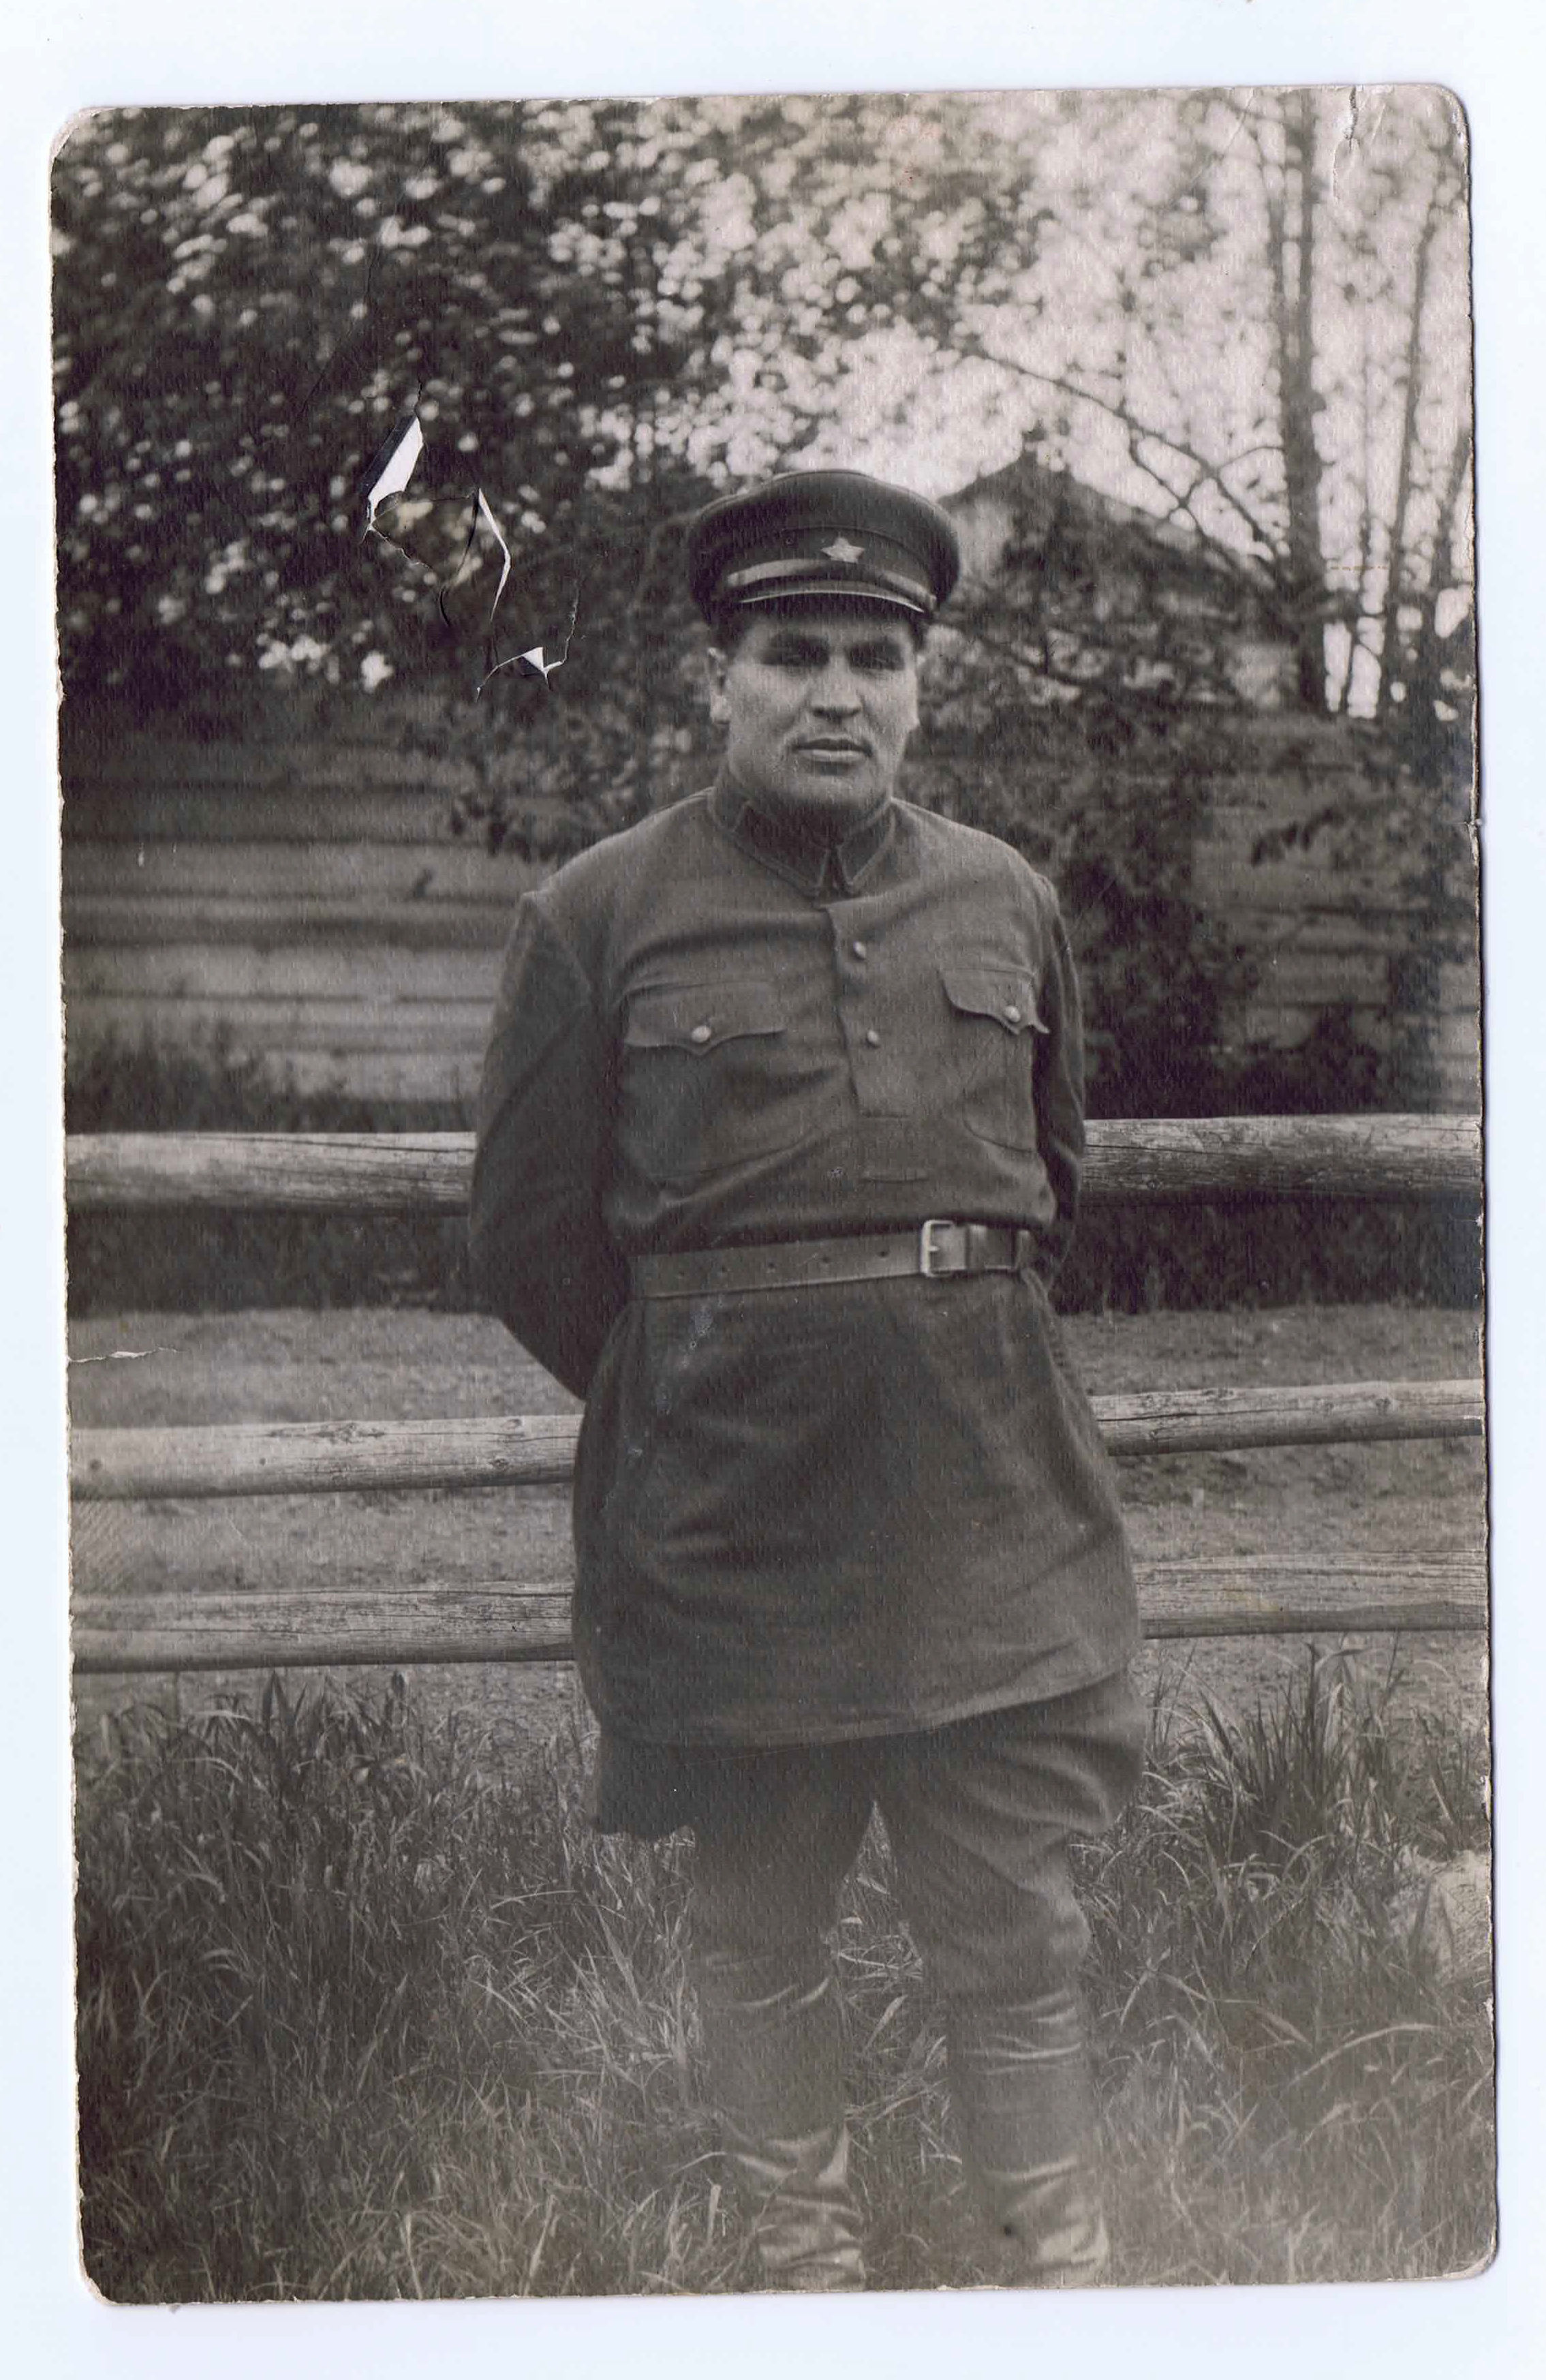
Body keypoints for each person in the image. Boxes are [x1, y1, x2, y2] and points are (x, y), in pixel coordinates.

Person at [469, 469, 1145, 2292]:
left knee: (1012, 1916)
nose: (837, 692)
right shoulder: (599, 914)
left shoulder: (1003, 901)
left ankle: (1055, 2266)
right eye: (794, 652)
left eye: (874, 657)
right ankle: (804, 2263)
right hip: (733, 1520)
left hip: (983, 1509)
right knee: (760, 1915)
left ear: (920, 686)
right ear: (725, 677)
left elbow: (1051, 1179)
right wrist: (712, 1362)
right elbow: (529, 1239)